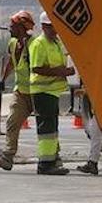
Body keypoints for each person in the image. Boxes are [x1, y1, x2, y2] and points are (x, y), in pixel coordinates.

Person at [0, 10, 35, 171]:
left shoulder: (35, 44)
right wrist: (3, 80)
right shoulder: (13, 44)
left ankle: (52, 158)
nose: (9, 29)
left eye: (12, 26)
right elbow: (11, 63)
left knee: (45, 127)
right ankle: (7, 157)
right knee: (12, 122)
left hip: (38, 91)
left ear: (21, 27)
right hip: (21, 91)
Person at [29, 11, 74, 175]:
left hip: (53, 92)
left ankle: (52, 159)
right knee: (47, 129)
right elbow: (37, 68)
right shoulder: (39, 44)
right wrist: (61, 72)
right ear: (44, 26)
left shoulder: (55, 43)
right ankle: (45, 164)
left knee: (52, 129)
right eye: (51, 26)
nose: (55, 29)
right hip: (43, 91)